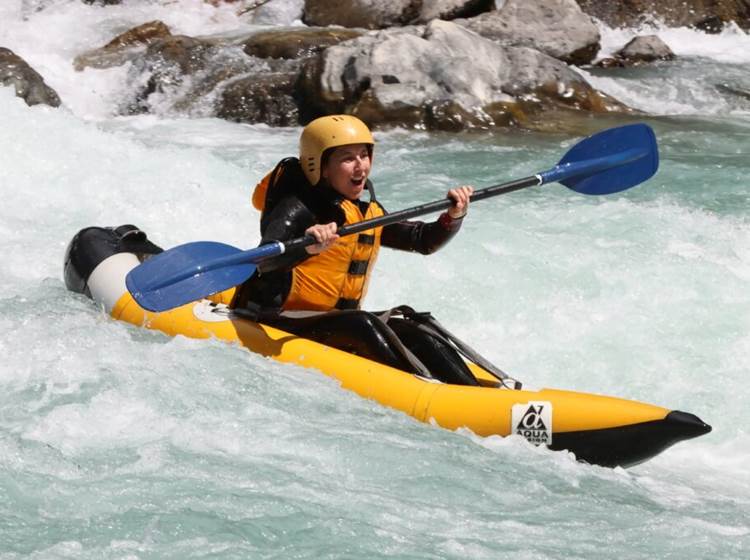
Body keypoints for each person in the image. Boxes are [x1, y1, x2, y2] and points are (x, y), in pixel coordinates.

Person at [231, 114, 480, 385]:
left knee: (416, 329)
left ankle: (479, 393)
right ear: (322, 167)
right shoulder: (298, 206)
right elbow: (265, 258)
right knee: (363, 324)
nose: (360, 165)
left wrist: (453, 216)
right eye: (347, 158)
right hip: (279, 318)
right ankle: (425, 391)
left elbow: (421, 240)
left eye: (364, 154)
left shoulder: (365, 211)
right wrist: (308, 248)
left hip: (331, 319)